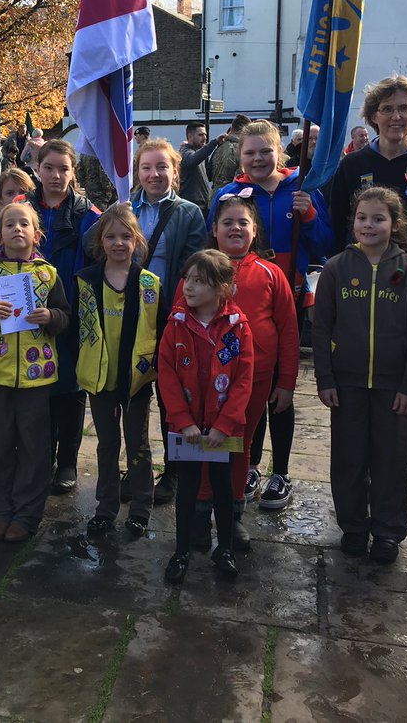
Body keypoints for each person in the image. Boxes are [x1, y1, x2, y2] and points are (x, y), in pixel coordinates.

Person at [209, 120, 332, 510]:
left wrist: (309, 215)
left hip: (288, 296)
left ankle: (281, 470)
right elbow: (215, 245)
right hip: (244, 298)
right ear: (240, 157)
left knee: (281, 388)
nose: (259, 159)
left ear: (280, 152)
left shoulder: (303, 188)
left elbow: (328, 242)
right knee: (248, 385)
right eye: (251, 153)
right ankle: (252, 463)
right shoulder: (231, 195)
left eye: (266, 151)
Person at [313, 187, 407, 563]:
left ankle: (387, 531)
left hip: (394, 387)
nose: (369, 225)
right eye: (362, 217)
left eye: (378, 218)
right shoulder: (336, 268)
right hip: (346, 384)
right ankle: (353, 525)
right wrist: (325, 379)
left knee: (391, 460)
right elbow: (321, 327)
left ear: (395, 224)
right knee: (348, 458)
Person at [193, 192, 298, 551]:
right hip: (205, 383)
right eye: (227, 222)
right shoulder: (198, 272)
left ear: (255, 230)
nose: (235, 228)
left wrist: (286, 383)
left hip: (253, 382)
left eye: (243, 222)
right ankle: (200, 511)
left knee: (240, 446)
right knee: (206, 446)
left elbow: (288, 331)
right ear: (214, 230)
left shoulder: (271, 274)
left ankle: (232, 514)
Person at [0, 200, 71, 541]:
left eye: (24, 224)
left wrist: (51, 318)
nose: (17, 229)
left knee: (33, 447)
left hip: (37, 379)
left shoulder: (48, 275)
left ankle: (26, 514)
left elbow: (65, 316)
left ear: (37, 234)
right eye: (10, 225)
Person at [158, 250, 254, 584]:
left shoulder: (238, 327)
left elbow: (244, 380)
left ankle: (224, 549)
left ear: (223, 288)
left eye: (200, 281)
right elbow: (167, 375)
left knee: (223, 489)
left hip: (221, 430)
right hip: (188, 431)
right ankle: (181, 550)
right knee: (186, 489)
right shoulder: (176, 324)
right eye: (188, 278)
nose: (189, 287)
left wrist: (224, 425)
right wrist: (183, 420)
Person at [126, 138, 207, 504]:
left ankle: (174, 472)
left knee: (173, 396)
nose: (154, 174)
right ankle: (138, 468)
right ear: (137, 172)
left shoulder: (188, 212)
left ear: (175, 171)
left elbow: (191, 267)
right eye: (147, 167)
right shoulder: (125, 208)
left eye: (162, 167)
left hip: (169, 316)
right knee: (134, 394)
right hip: (130, 316)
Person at [76, 205, 159, 537]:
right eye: (110, 236)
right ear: (100, 241)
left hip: (136, 382)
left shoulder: (149, 284)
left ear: (137, 240)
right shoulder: (86, 282)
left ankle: (141, 508)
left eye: (126, 236)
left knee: (138, 445)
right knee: (106, 445)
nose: (119, 243)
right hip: (100, 382)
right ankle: (105, 508)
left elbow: (162, 329)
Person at [28, 139, 100, 493]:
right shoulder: (21, 211)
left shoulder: (89, 215)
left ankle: (67, 461)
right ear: (37, 169)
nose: (56, 176)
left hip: (72, 316)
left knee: (70, 389)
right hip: (27, 318)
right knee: (36, 390)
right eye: (49, 168)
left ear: (74, 173)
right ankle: (40, 456)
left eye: (64, 169)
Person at [328, 75, 407, 275]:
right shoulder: (351, 165)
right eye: (387, 109)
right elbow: (338, 225)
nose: (396, 116)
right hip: (361, 277)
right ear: (374, 116)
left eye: (404, 108)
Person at [0, 167, 36, 266]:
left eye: (23, 192)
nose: (17, 198)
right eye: (10, 193)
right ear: (0, 198)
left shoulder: (36, 226)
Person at [178, 122, 226, 209]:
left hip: (203, 205)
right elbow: (193, 159)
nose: (204, 138)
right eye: (200, 135)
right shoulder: (185, 154)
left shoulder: (197, 152)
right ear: (190, 137)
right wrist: (214, 142)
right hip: (194, 206)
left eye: (205, 135)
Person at [210, 115, 251, 191]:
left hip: (215, 194)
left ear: (231, 128)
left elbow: (209, 172)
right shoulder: (243, 150)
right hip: (231, 195)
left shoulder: (220, 147)